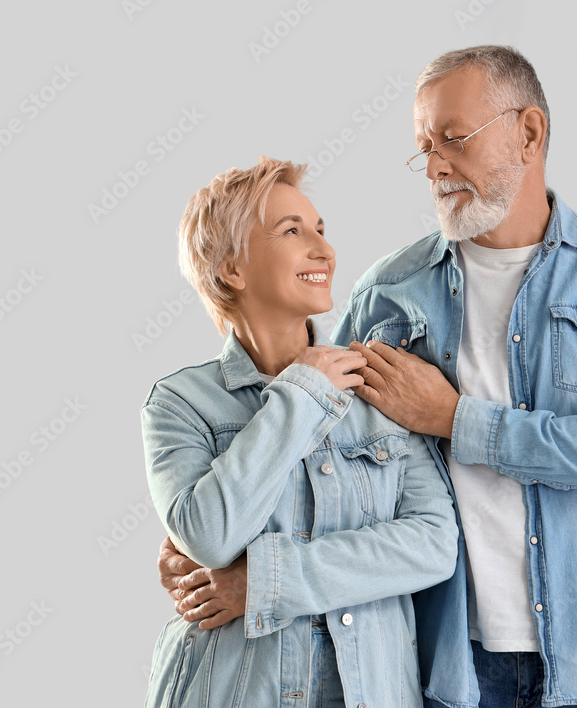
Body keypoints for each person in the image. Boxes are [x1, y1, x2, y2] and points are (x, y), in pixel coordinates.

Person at [161, 45, 577, 707]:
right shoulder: (390, 290)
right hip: (452, 670)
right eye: (424, 147)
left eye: (453, 139)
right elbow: (308, 426)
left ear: (529, 133)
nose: (434, 166)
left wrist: (453, 419)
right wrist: (190, 534)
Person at [141, 157, 457, 708]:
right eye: (292, 231)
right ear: (231, 269)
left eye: (321, 230)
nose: (324, 249)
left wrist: (263, 580)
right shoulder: (179, 403)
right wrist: (303, 391)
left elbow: (433, 545)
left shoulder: (378, 385)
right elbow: (210, 535)